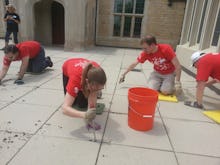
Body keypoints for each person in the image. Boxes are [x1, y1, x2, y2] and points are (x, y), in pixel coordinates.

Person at [62, 58, 107, 130]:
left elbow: (93, 96)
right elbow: (64, 109)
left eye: (100, 89)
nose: (97, 92)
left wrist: (90, 118)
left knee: (83, 105)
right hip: (68, 65)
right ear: (87, 82)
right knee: (72, 103)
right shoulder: (75, 80)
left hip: (83, 73)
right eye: (96, 89)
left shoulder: (98, 73)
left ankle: (89, 90)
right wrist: (85, 115)